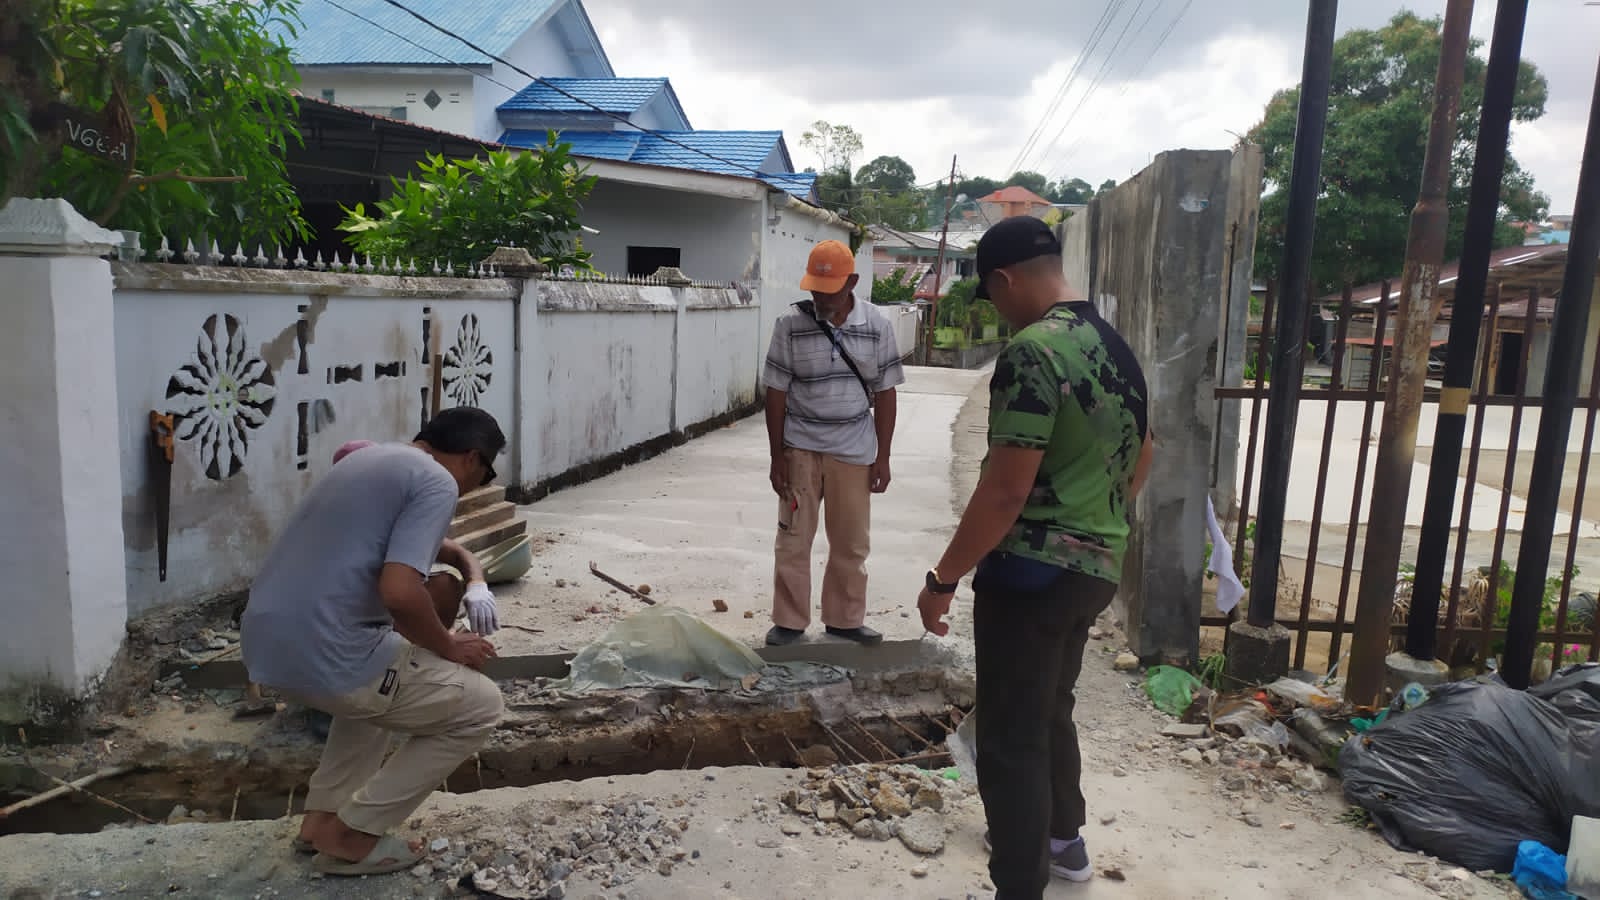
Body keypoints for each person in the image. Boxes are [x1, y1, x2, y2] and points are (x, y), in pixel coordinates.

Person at [916, 216, 1153, 899]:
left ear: (1004, 280)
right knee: (1049, 708)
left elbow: (1005, 491)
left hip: (1031, 573)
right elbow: (1146, 451)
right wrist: (1095, 519)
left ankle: (1019, 885)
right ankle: (1063, 843)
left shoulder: (1033, 351)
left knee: (1010, 737)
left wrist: (943, 578)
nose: (998, 311)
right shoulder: (1112, 345)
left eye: (992, 297)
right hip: (1095, 568)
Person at [241, 408, 509, 877]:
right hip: (328, 651)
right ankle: (352, 836)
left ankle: (321, 822)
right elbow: (400, 592)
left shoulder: (365, 461)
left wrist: (473, 581)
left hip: (267, 645)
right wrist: (449, 647)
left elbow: (433, 558)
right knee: (482, 706)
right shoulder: (437, 482)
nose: (476, 487)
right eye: (485, 476)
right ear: (472, 458)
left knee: (382, 684)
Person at [763, 239, 904, 647]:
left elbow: (886, 394)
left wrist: (883, 457)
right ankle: (789, 622)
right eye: (816, 290)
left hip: (854, 451)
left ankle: (844, 619)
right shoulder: (789, 325)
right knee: (793, 539)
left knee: (851, 542)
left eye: (830, 290)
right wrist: (777, 457)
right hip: (800, 448)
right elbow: (776, 392)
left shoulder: (877, 325)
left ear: (852, 282)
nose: (821, 298)